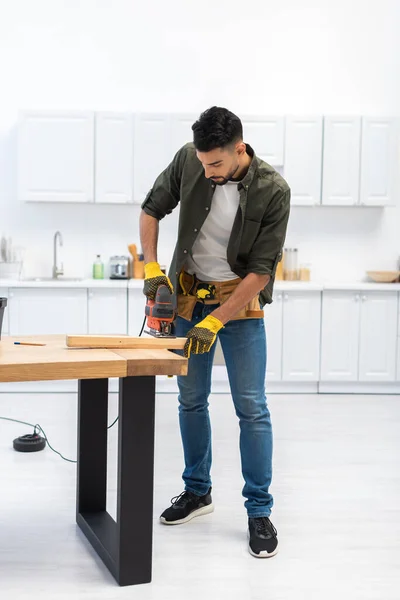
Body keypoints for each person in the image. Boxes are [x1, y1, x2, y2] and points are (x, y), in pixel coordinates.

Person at [139, 106, 290, 558]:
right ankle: (197, 491)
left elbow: (262, 271)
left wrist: (217, 318)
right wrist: (150, 268)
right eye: (203, 164)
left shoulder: (273, 190)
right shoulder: (191, 159)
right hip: (187, 296)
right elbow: (151, 209)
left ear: (239, 149)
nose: (207, 172)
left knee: (251, 407)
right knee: (190, 399)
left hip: (239, 303)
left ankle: (259, 511)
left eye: (216, 165)